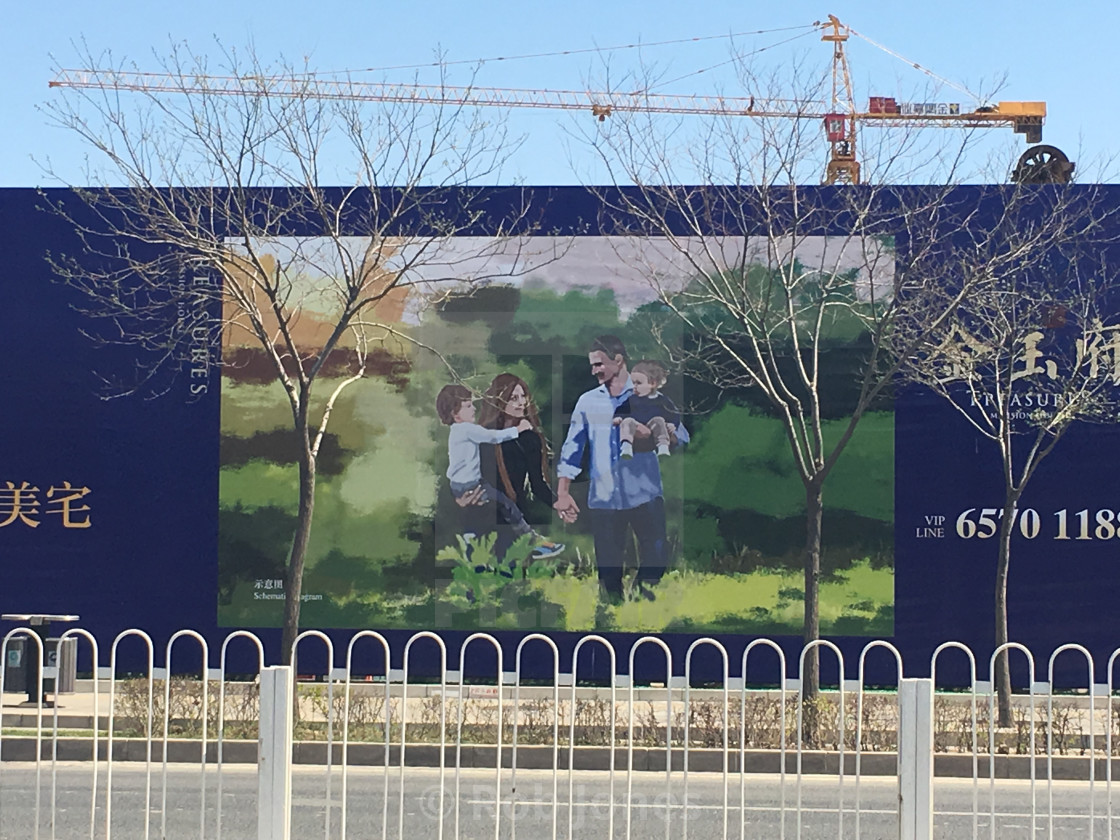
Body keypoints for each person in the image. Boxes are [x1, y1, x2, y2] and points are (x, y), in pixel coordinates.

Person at [553, 335, 688, 602]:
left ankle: (638, 601)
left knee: (657, 557)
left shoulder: (650, 394)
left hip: (645, 492)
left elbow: (681, 437)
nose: (594, 371)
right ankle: (611, 617)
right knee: (609, 573)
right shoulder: (587, 401)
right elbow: (572, 449)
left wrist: (650, 438)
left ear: (618, 361)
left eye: (599, 364)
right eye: (592, 365)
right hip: (604, 498)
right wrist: (563, 493)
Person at [436, 384, 563, 559]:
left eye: (523, 396)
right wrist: (518, 430)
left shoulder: (458, 432)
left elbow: (537, 483)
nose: (474, 408)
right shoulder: (469, 430)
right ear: (454, 414)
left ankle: (524, 542)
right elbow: (493, 437)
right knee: (506, 506)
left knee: (504, 509)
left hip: (465, 486)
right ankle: (532, 540)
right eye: (467, 405)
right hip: (472, 489)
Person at [477, 373, 556, 519]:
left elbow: (537, 484)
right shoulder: (484, 436)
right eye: (513, 398)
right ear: (499, 401)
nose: (521, 403)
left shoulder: (530, 438)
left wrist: (558, 504)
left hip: (515, 512)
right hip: (483, 512)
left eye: (523, 396)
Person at [612, 359, 682, 459]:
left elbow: (673, 413)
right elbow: (621, 410)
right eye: (633, 383)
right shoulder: (632, 400)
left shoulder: (662, 401)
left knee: (659, 420)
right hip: (636, 428)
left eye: (638, 383)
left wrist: (673, 424)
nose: (634, 387)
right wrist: (618, 417)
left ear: (653, 383)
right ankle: (626, 446)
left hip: (653, 429)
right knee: (627, 421)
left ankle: (662, 447)